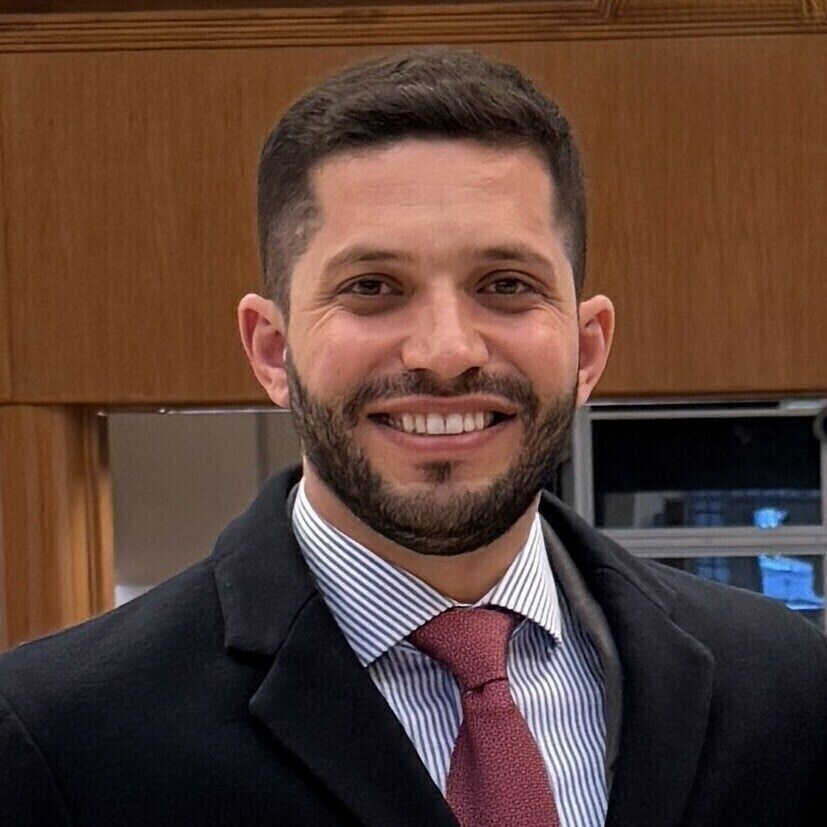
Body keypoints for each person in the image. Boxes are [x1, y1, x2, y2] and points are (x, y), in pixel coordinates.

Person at [0, 48, 824, 827]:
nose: (445, 350)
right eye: (372, 287)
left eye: (506, 284)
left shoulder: (783, 690)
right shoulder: (60, 736)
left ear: (587, 348)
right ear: (273, 351)